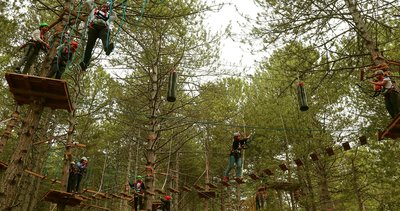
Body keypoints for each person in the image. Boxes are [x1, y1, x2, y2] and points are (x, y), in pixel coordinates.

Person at [80, 2, 115, 71]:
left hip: (103, 28)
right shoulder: (94, 11)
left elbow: (115, 16)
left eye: (106, 8)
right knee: (89, 45)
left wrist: (111, 9)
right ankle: (85, 62)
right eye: (103, 7)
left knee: (105, 36)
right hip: (93, 27)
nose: (104, 8)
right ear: (100, 7)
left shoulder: (108, 16)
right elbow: (87, 2)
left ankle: (107, 48)